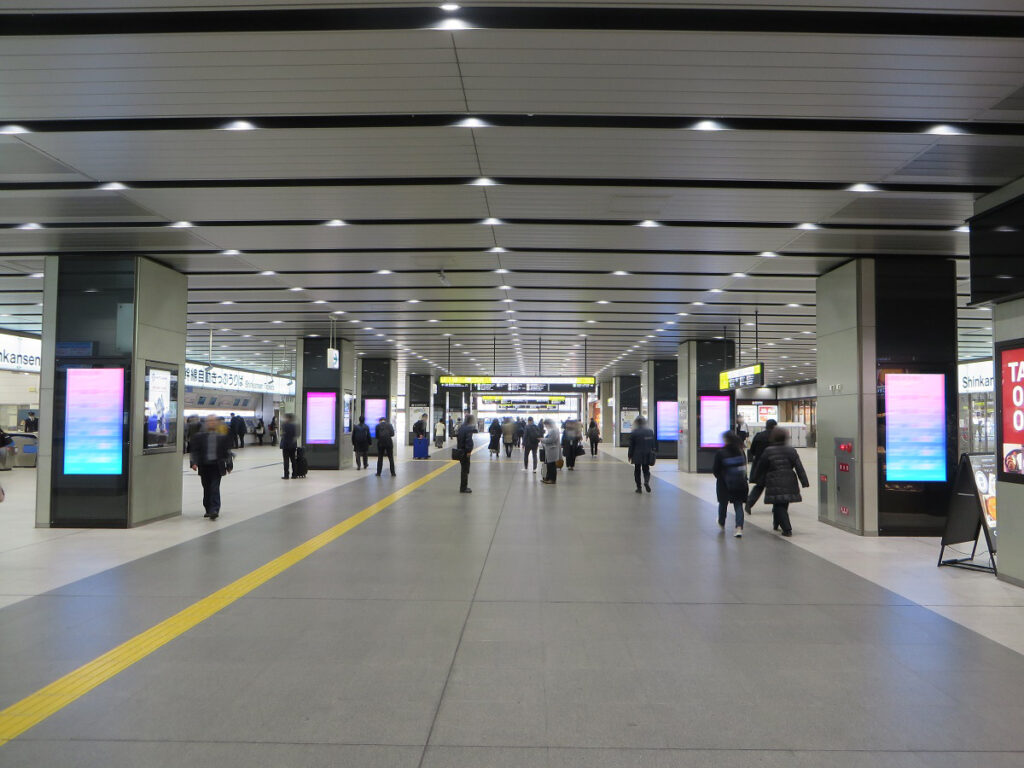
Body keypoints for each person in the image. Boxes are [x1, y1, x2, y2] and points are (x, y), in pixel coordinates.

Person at [750, 428, 809, 537]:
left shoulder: (768, 451)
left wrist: (756, 478)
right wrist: (804, 481)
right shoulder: (791, 450)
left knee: (778, 504)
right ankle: (777, 523)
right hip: (789, 479)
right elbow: (799, 467)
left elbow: (761, 467)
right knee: (783, 502)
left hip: (774, 479)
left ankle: (787, 529)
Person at [189, 414, 232, 520]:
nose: (212, 422)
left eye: (214, 420)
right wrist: (193, 463)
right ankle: (208, 508)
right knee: (206, 488)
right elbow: (195, 451)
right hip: (204, 466)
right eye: (209, 421)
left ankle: (215, 509)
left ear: (216, 422)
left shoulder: (221, 437)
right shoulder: (199, 437)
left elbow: (227, 452)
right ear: (206, 423)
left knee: (214, 487)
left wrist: (229, 464)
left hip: (217, 466)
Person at [713, 431, 748, 537]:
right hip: (739, 481)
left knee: (723, 503)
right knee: (738, 505)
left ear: (726, 440)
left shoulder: (720, 452)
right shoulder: (740, 451)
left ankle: (722, 522)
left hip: (724, 482)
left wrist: (720, 477)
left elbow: (716, 470)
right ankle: (739, 528)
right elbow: (744, 466)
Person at [745, 418, 777, 513]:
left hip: (760, 464)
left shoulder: (759, 436)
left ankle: (749, 503)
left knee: (759, 486)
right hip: (773, 464)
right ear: (774, 426)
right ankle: (777, 507)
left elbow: (752, 450)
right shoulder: (776, 436)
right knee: (776, 487)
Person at [627, 415, 656, 493]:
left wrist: (629, 455)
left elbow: (631, 446)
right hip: (647, 453)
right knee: (646, 469)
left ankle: (639, 488)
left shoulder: (634, 433)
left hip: (637, 454)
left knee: (637, 471)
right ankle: (646, 481)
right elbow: (653, 444)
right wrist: (653, 451)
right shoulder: (650, 431)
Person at [456, 414, 477, 493]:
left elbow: (459, 439)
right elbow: (469, 441)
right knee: (465, 469)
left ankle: (463, 486)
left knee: (463, 469)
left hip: (460, 450)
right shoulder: (469, 428)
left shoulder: (461, 427)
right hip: (465, 451)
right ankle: (463, 487)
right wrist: (468, 451)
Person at [540, 418, 561, 484]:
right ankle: (548, 478)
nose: (545, 427)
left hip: (552, 450)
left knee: (552, 466)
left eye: (546, 425)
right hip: (550, 450)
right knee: (549, 465)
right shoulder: (553, 430)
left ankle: (552, 479)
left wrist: (542, 439)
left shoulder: (554, 430)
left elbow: (551, 440)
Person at [280, 413, 298, 479]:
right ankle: (294, 475)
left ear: (288, 418)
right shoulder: (295, 426)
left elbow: (282, 435)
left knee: (286, 461)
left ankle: (286, 475)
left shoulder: (284, 425)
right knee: (293, 460)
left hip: (286, 445)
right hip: (293, 445)